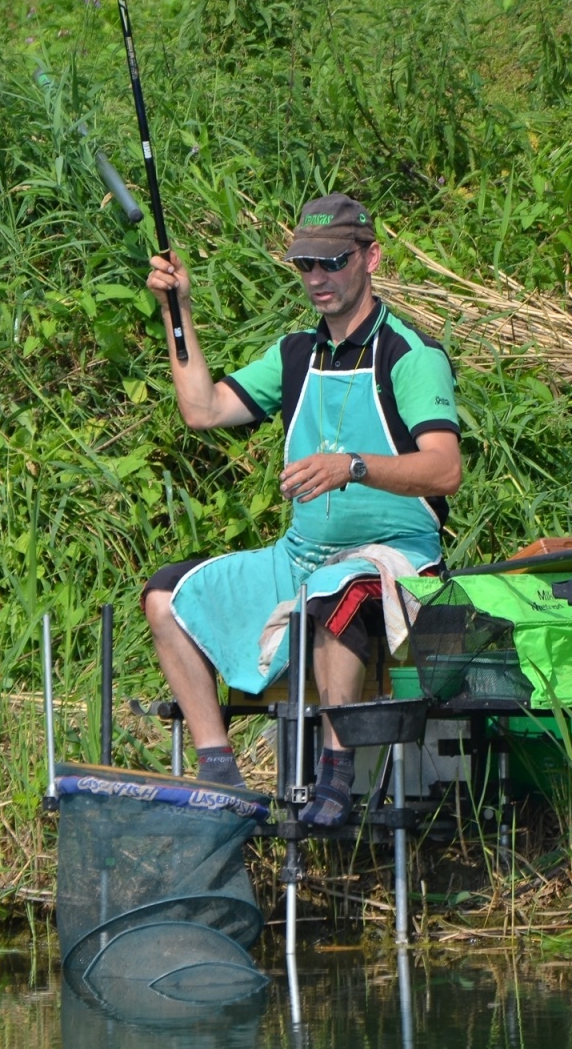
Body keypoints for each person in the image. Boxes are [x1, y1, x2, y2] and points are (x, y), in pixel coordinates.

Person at [141, 193, 462, 826]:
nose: (317, 278)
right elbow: (202, 410)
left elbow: (445, 469)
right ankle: (219, 772)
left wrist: (355, 466)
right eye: (304, 265)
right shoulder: (295, 354)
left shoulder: (410, 354)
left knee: (334, 593)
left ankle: (336, 775)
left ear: (370, 257)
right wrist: (177, 311)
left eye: (332, 262)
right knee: (166, 597)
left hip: (395, 559)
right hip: (300, 557)